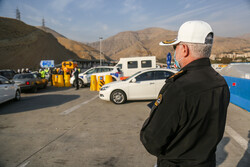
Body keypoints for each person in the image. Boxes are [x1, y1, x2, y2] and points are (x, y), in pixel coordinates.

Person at [140, 20, 230, 167]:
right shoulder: (220, 82)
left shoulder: (178, 88)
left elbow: (151, 141)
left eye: (175, 47)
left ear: (185, 49)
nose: (174, 52)